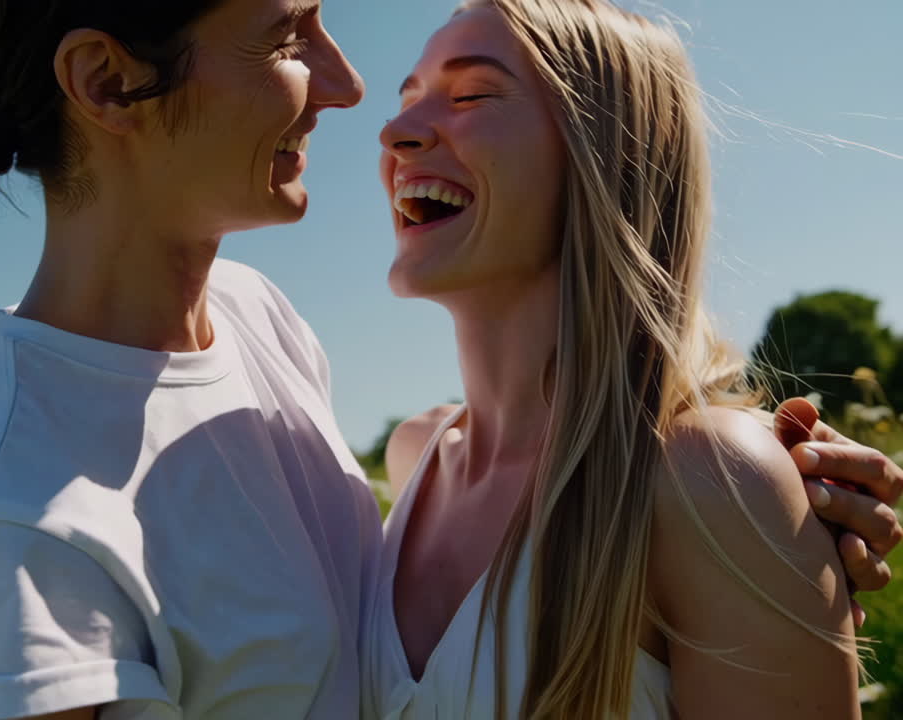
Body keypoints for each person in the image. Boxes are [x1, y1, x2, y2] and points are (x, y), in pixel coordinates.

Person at [0, 1, 903, 719]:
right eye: (290, 34)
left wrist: (745, 516)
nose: (353, 100)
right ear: (107, 84)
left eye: (468, 95)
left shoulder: (263, 331)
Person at [361, 1, 902, 718]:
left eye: (471, 96)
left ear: (607, 154)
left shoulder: (708, 481)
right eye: (407, 102)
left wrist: (762, 508)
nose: (395, 133)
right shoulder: (413, 458)